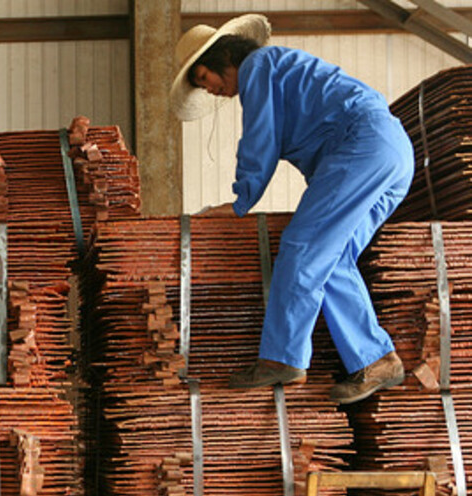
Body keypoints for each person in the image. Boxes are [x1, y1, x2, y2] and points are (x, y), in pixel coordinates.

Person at [169, 14, 414, 404]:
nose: (210, 90)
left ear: (223, 57)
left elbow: (259, 143)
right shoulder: (278, 67)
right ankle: (378, 359)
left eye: (204, 77)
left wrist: (239, 203)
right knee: (331, 260)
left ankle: (282, 358)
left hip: (361, 146)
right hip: (392, 152)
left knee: (302, 245)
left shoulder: (258, 67)